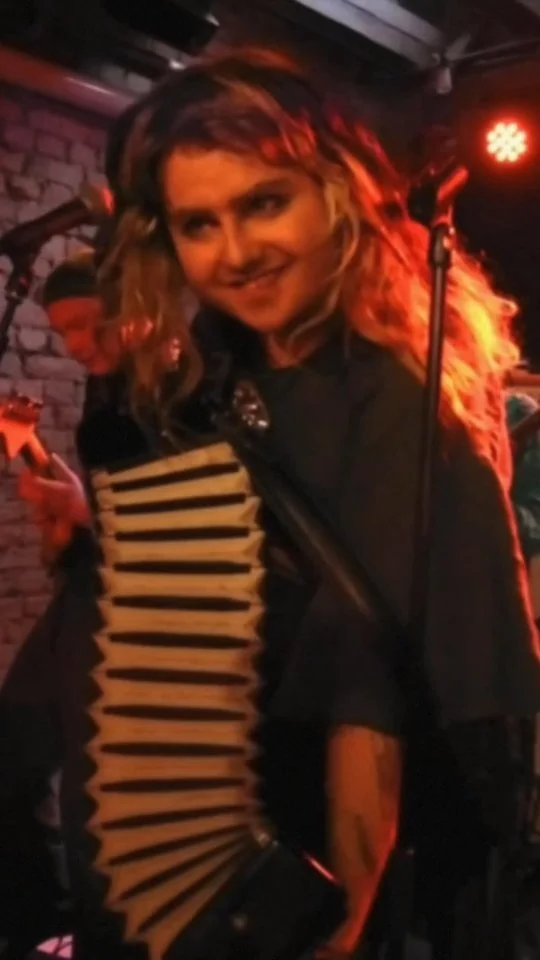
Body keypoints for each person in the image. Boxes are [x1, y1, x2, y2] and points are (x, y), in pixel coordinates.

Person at [9, 46, 540, 960]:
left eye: (264, 203)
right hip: (177, 821)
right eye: (199, 223)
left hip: (319, 836)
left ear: (334, 197)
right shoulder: (200, 373)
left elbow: (374, 683)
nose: (237, 252)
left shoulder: (398, 397)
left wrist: (344, 924)